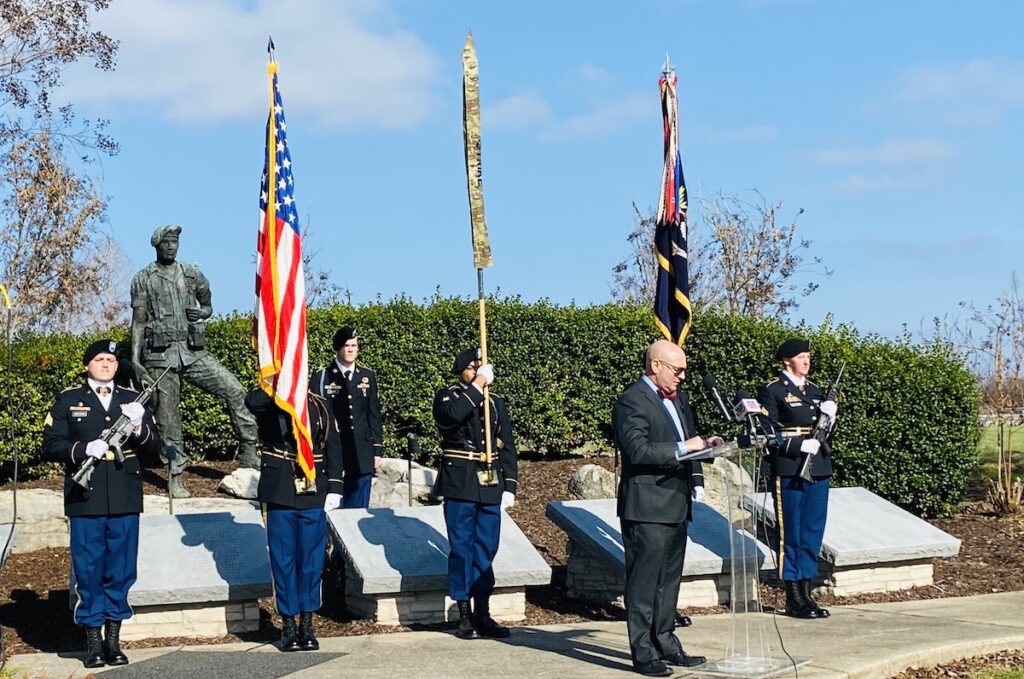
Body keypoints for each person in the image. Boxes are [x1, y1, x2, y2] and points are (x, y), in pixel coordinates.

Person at [41, 339, 165, 669]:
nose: (107, 364)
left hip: (124, 494)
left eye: (111, 359)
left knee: (121, 570)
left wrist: (139, 426)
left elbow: (157, 453)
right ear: (87, 365)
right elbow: (50, 445)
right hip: (87, 497)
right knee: (89, 569)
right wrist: (83, 450)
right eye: (99, 359)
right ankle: (93, 641)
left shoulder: (130, 401)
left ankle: (114, 640)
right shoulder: (70, 400)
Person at [613, 339, 720, 677]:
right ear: (655, 365)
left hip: (676, 503)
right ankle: (642, 652)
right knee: (644, 583)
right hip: (646, 506)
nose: (683, 376)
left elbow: (688, 442)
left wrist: (707, 448)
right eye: (678, 369)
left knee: (669, 581)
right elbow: (638, 451)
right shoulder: (631, 400)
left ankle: (666, 642)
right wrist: (682, 446)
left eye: (685, 369)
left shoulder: (680, 400)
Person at [130, 224, 259, 498]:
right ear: (156, 245)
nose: (172, 247)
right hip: (159, 357)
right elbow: (138, 322)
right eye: (167, 243)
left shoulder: (191, 273)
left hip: (192, 352)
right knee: (168, 419)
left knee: (235, 390)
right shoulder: (143, 278)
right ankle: (175, 475)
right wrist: (135, 361)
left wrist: (201, 314)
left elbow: (208, 305)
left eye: (175, 242)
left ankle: (249, 454)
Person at [245, 387, 343, 652]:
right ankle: (288, 623)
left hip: (312, 487)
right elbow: (251, 402)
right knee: (284, 558)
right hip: (280, 488)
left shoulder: (320, 404)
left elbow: (333, 444)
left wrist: (335, 487)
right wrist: (277, 385)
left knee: (311, 560)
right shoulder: (270, 399)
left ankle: (307, 622)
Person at [432, 348, 518, 640]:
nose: (478, 371)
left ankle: (483, 611)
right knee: (461, 549)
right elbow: (452, 418)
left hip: (489, 483)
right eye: (472, 368)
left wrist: (510, 485)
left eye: (480, 368)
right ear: (461, 371)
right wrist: (477, 386)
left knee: (486, 548)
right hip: (460, 481)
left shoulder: (495, 403)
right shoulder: (448, 396)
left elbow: (506, 446)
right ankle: (463, 614)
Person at [757, 337, 838, 620]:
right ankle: (793, 596)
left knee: (812, 530)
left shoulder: (816, 391)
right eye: (801, 356)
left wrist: (831, 418)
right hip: (791, 467)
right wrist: (797, 445)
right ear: (787, 360)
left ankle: (807, 591)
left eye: (808, 356)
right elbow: (765, 433)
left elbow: (825, 433)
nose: (807, 361)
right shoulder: (773, 391)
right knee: (792, 531)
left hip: (818, 467)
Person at [309, 326, 382, 508]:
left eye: (354, 345)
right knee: (332, 507)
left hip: (361, 451)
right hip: (334, 450)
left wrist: (377, 450)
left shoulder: (367, 375)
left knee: (358, 509)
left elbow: (373, 414)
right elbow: (318, 415)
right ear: (338, 348)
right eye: (346, 345)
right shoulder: (322, 376)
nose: (350, 350)